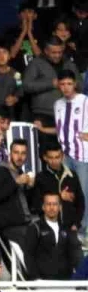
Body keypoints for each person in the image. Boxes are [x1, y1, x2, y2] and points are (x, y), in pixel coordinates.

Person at [50, 68, 88, 231]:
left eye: (69, 84)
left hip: (82, 155)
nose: (66, 87)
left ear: (75, 85)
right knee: (66, 193)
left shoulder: (85, 101)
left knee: (83, 195)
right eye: (63, 84)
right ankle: (69, 228)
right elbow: (60, 128)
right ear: (58, 85)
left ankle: (84, 229)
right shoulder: (57, 104)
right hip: (64, 156)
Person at [0, 138, 36, 251]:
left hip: (24, 223)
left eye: (23, 153)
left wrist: (31, 188)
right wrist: (15, 183)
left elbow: (28, 204)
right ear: (10, 153)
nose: (19, 157)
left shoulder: (20, 173)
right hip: (9, 227)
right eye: (16, 152)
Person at [22, 191, 84, 278]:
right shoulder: (35, 228)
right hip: (42, 284)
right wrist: (36, 280)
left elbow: (75, 254)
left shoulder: (66, 229)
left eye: (55, 204)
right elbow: (28, 256)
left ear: (60, 207)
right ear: (43, 207)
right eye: (48, 204)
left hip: (65, 283)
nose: (52, 207)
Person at [23, 37, 77, 130]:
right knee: (45, 144)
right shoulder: (36, 63)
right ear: (46, 51)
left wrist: (69, 85)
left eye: (60, 52)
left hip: (67, 113)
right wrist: (51, 83)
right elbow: (26, 85)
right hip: (43, 114)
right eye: (54, 52)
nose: (57, 55)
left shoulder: (69, 64)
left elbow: (79, 84)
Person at [32, 143, 84, 234]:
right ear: (45, 157)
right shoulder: (41, 178)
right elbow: (36, 205)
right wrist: (60, 196)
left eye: (57, 157)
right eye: (51, 157)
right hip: (49, 231)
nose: (54, 161)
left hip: (71, 229)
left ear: (62, 156)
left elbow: (80, 203)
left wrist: (76, 224)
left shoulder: (72, 176)